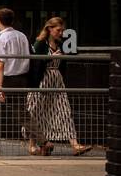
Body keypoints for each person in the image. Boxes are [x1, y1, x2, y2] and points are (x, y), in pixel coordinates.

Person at [27, 17, 94, 156]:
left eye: (62, 30)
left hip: (57, 80)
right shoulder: (40, 44)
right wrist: (49, 58)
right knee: (36, 111)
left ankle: (75, 145)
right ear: (49, 29)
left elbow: (72, 54)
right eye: (58, 30)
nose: (61, 33)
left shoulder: (61, 44)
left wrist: (69, 47)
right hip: (42, 81)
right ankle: (32, 144)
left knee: (65, 111)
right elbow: (35, 64)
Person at [0, 8, 43, 157]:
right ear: (12, 21)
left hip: (7, 80)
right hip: (22, 79)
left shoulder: (2, 39)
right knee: (23, 114)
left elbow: (0, 64)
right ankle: (44, 141)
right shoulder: (22, 36)